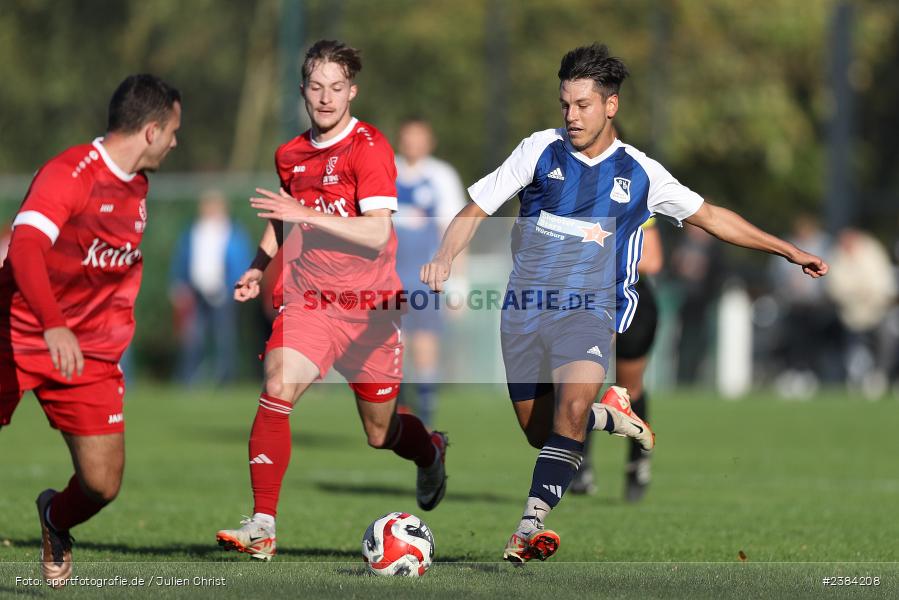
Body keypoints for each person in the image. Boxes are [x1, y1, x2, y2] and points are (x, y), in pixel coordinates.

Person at [420, 43, 827, 563]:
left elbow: (712, 217)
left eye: (582, 105)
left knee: (570, 409)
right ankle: (609, 414)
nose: (571, 116)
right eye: (565, 104)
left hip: (590, 310)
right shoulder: (539, 150)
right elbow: (476, 208)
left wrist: (788, 250)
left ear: (610, 105)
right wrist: (444, 256)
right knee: (541, 433)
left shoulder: (642, 173)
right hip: (524, 310)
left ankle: (528, 527)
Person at [215, 40, 448, 562]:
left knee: (380, 432)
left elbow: (376, 232)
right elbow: (283, 216)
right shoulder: (289, 154)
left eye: (336, 88)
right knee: (277, 385)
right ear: (303, 90)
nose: (325, 98)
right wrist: (258, 266)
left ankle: (430, 450)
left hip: (370, 310)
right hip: (311, 302)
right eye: (317, 87)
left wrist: (306, 216)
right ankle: (263, 524)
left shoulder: (369, 147)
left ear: (351, 92)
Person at [0, 74, 181, 585]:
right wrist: (53, 324)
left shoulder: (137, 184)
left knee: (102, 483)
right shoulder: (69, 173)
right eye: (173, 131)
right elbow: (25, 248)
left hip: (89, 351)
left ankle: (55, 519)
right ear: (151, 131)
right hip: (17, 332)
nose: (175, 142)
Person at [569, 217, 662, 501]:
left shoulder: (634, 202)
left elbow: (652, 260)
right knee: (584, 382)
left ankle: (637, 461)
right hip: (589, 298)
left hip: (632, 298)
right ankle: (579, 463)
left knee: (628, 388)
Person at [394, 118, 467, 426]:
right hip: (389, 279)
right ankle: (396, 413)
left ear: (429, 141)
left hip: (425, 280)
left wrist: (458, 283)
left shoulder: (441, 176)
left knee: (425, 344)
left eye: (419, 137)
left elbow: (454, 231)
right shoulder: (387, 171)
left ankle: (425, 415)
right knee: (393, 346)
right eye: (408, 136)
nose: (413, 142)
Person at [169, 190, 252, 386]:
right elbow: (182, 258)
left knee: (224, 337)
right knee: (193, 337)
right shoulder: (193, 231)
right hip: (196, 292)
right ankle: (189, 379)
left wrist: (234, 286)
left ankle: (226, 380)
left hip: (223, 293)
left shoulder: (233, 232)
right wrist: (179, 284)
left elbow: (241, 262)